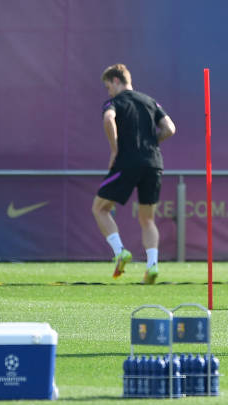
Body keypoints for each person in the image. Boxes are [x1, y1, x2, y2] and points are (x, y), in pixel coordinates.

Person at [91, 64, 176, 284]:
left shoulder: (115, 102)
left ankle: (120, 251)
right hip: (154, 163)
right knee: (147, 219)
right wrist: (151, 143)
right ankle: (152, 266)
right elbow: (170, 128)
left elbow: (109, 119)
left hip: (128, 161)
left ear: (117, 81)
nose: (108, 91)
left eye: (108, 86)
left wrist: (114, 149)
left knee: (100, 208)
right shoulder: (150, 101)